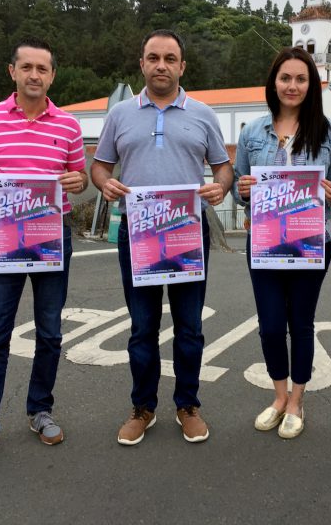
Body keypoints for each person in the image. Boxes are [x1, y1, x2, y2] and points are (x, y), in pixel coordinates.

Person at [0, 37, 88, 469]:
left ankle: (40, 410)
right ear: (13, 72)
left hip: (51, 237)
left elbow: (78, 176)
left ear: (52, 75)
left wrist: (78, 184)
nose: (34, 75)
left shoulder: (69, 126)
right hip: (5, 240)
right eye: (26, 67)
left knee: (49, 333)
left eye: (42, 69)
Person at [91, 29, 232, 446]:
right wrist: (105, 184)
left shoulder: (203, 113)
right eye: (154, 57)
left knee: (189, 326)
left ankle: (188, 404)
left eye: (170, 58)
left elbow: (223, 167)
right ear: (141, 63)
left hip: (187, 232)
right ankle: (143, 407)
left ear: (182, 66)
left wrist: (221, 186)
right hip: (137, 233)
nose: (161, 65)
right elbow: (100, 166)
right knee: (142, 327)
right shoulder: (120, 115)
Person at [232, 47, 331, 439]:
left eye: (301, 79)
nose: (292, 86)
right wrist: (243, 190)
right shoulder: (252, 132)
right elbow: (238, 187)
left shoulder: (329, 132)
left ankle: (298, 400)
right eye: (286, 78)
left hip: (312, 242)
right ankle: (279, 396)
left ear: (311, 85)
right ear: (274, 82)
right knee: (268, 325)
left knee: (300, 323)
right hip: (263, 242)